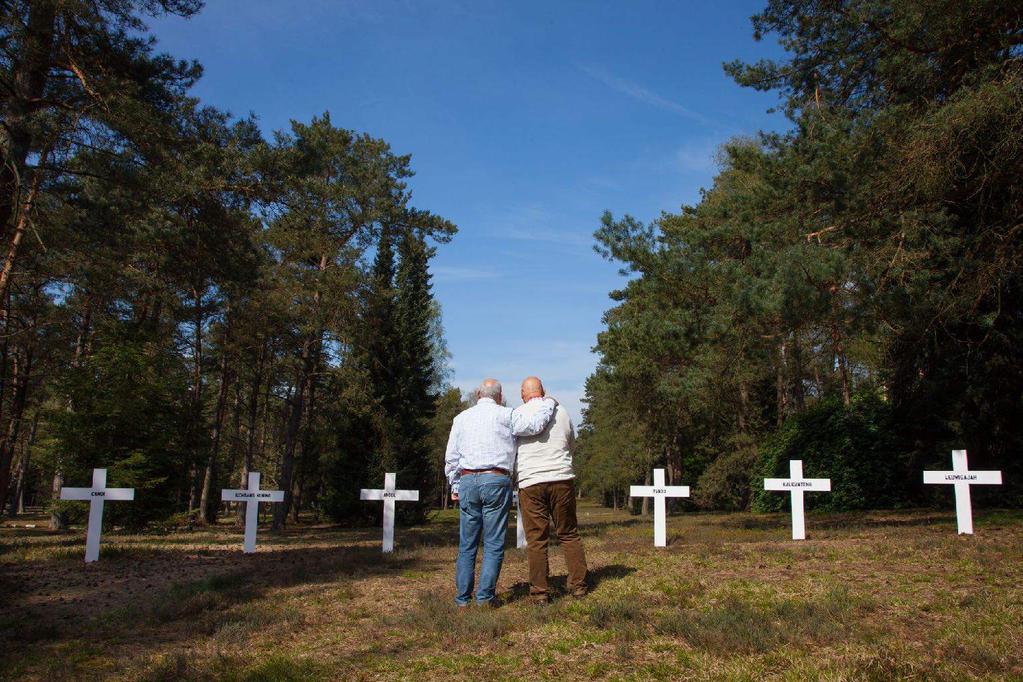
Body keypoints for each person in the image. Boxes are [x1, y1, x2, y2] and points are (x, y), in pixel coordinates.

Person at [444, 378, 555, 607]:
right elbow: (534, 425)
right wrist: (549, 403)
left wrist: (454, 485)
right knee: (493, 543)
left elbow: (451, 457)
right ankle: (484, 598)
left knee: (467, 544)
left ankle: (462, 600)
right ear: (500, 396)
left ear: (478, 394)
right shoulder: (507, 414)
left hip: (467, 479)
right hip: (496, 479)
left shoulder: (461, 419)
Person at [515, 376, 588, 603]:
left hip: (531, 481)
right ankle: (579, 586)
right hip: (561, 478)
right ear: (543, 391)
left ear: (522, 394)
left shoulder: (517, 414)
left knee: (537, 539)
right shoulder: (563, 411)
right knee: (568, 533)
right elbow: (571, 442)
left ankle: (540, 593)